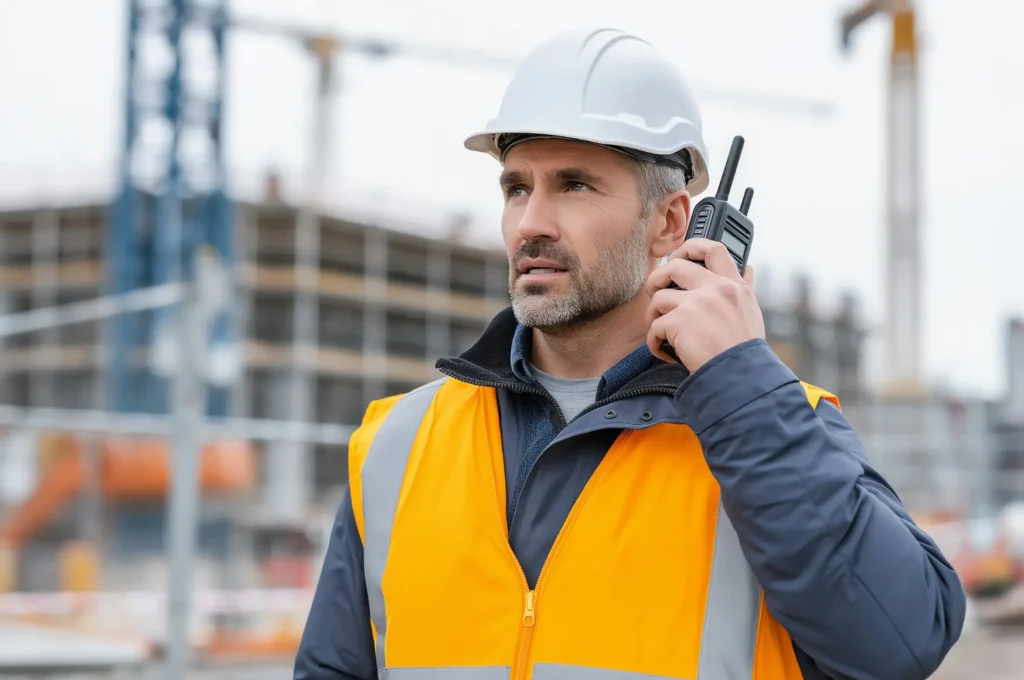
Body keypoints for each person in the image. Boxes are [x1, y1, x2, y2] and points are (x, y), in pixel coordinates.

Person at [294, 27, 965, 680]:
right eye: (517, 187)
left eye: (574, 185)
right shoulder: (395, 447)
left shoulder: (776, 425)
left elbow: (899, 644)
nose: (531, 222)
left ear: (671, 222)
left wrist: (742, 384)